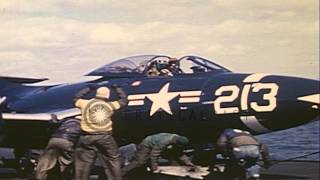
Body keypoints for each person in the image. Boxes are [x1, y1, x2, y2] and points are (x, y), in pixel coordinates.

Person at [74, 85, 127, 180]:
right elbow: (124, 101)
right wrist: (118, 88)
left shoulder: (84, 103)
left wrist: (88, 88)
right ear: (108, 96)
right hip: (105, 137)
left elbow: (75, 98)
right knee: (113, 160)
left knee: (83, 163)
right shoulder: (110, 105)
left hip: (86, 137)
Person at [122, 133, 197, 175]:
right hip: (147, 144)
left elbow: (180, 154)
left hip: (157, 145)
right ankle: (121, 172)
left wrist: (189, 163)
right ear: (176, 142)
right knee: (140, 161)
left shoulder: (178, 139)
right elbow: (154, 155)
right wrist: (155, 169)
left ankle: (147, 169)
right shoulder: (164, 142)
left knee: (170, 155)